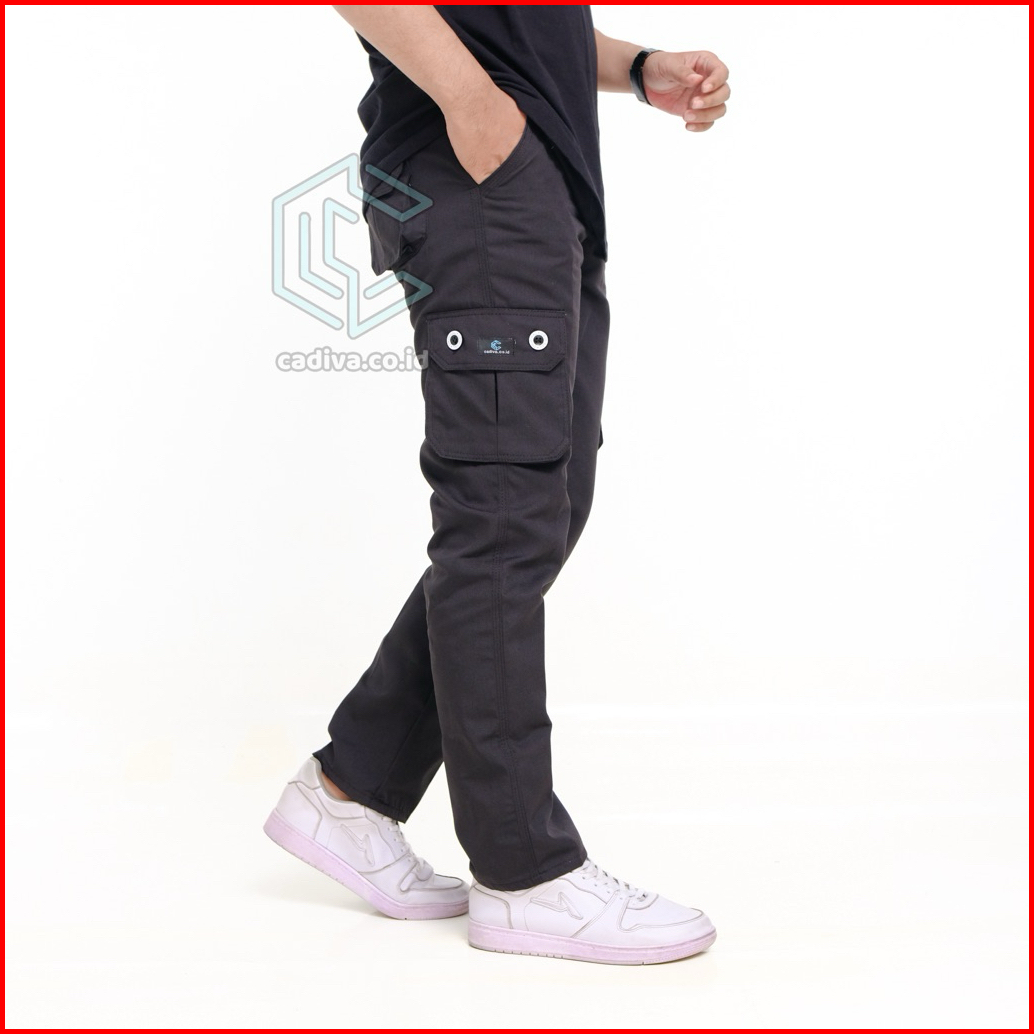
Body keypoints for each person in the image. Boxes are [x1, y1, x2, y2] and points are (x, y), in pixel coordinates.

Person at [265, 5, 731, 966]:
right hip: (482, 178)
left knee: (544, 505)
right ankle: (525, 873)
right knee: (504, 520)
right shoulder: (478, 133)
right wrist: (477, 110)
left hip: (535, 186)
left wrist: (637, 67)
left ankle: (353, 787)